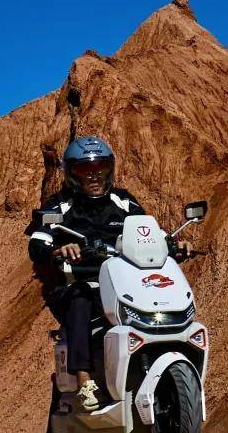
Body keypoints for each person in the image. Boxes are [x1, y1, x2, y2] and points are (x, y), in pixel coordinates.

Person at [25, 136, 190, 412]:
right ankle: (84, 381)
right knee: (79, 298)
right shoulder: (59, 206)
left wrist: (174, 244)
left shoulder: (123, 201)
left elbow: (149, 231)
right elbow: (37, 244)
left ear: (109, 169)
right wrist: (58, 250)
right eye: (85, 170)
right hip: (79, 282)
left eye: (100, 168)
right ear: (71, 173)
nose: (94, 176)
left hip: (124, 281)